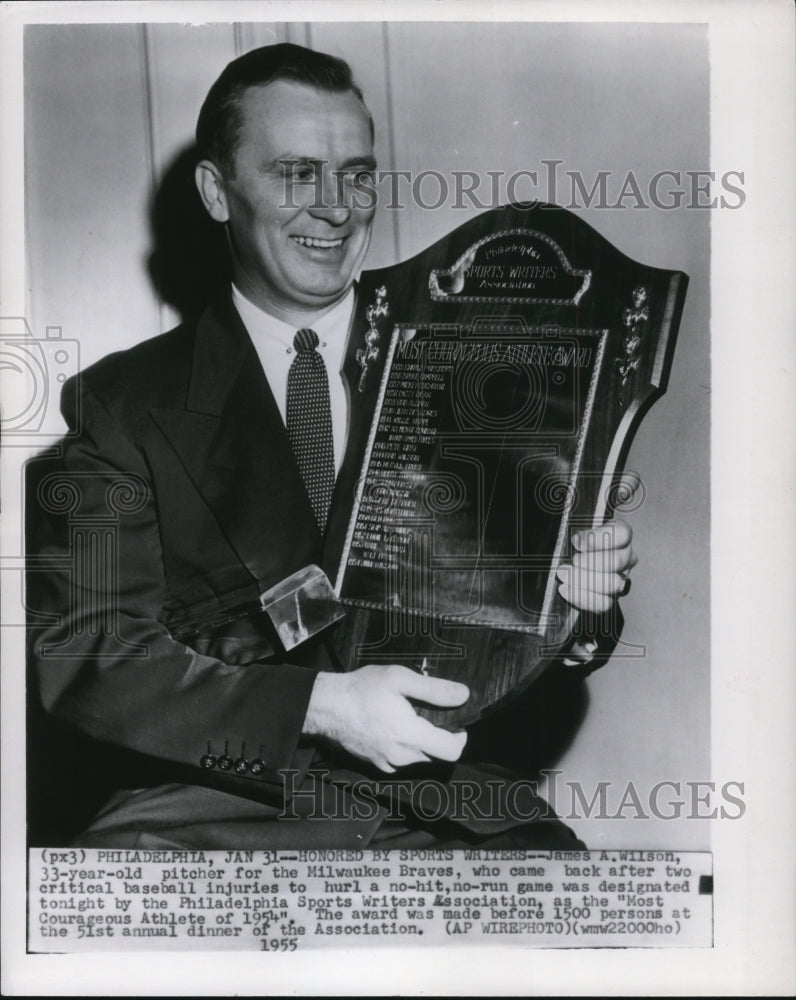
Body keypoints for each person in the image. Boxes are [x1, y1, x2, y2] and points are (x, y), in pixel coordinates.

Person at [26, 43, 637, 849]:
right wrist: (321, 707)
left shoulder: (474, 371)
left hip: (449, 801)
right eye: (296, 173)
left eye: (356, 175)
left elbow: (510, 610)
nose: (335, 207)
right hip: (217, 810)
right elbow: (91, 654)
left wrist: (579, 604)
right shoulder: (122, 405)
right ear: (217, 192)